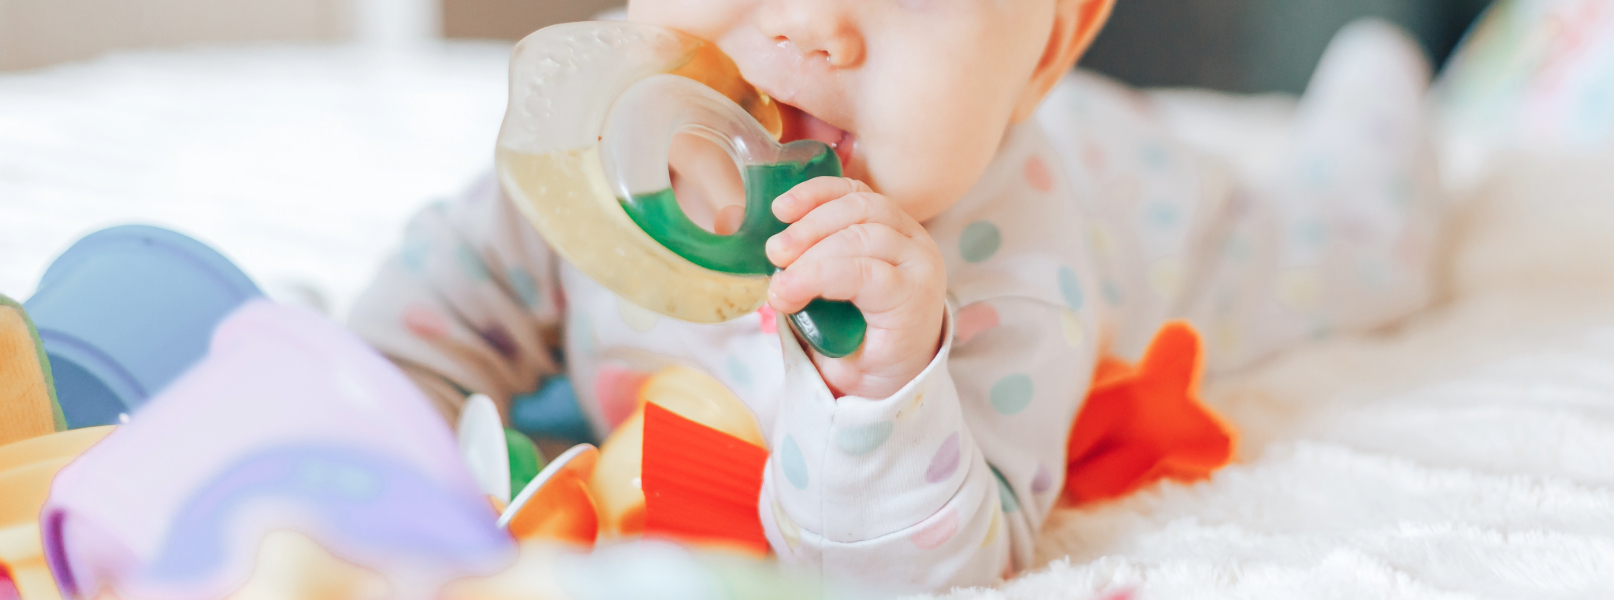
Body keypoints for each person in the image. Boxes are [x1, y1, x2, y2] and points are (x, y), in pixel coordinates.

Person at [349, 0, 1443, 591]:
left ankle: (1382, 70)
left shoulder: (1018, 271)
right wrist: (376, 431)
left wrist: (878, 385)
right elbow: (436, 311)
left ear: (1045, 45)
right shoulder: (602, 153)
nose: (814, 24)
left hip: (1153, 206)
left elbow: (929, 572)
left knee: (1361, 253)